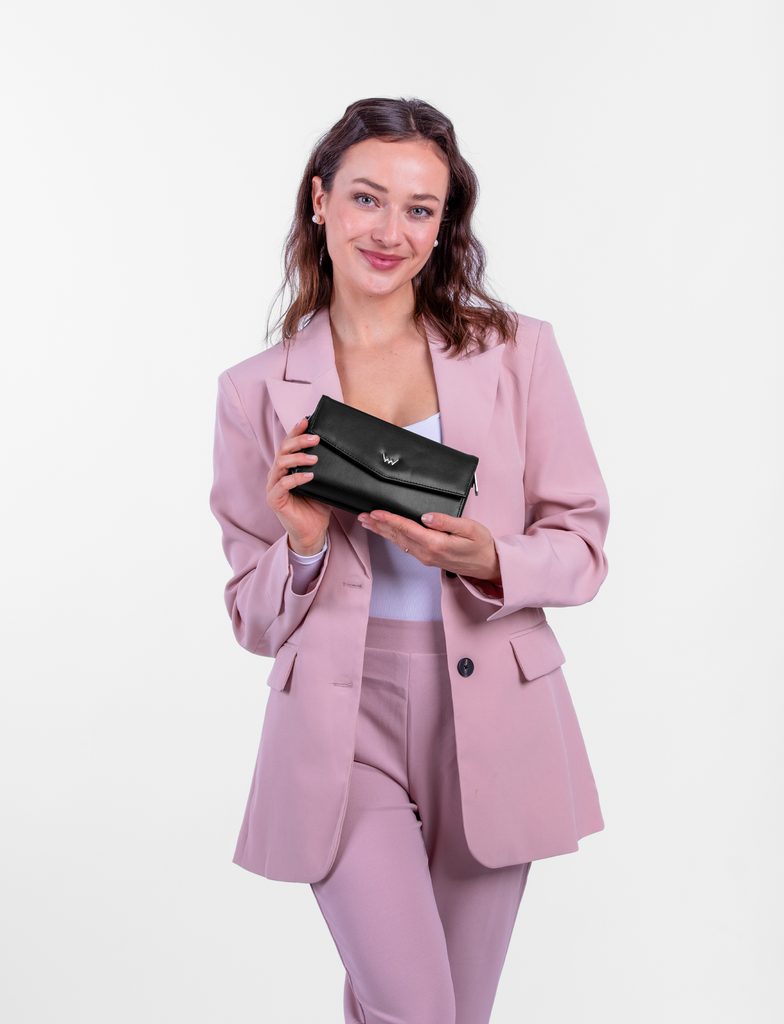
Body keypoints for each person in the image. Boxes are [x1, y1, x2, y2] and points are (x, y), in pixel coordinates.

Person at [209, 96, 610, 1024]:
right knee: (417, 1010)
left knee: (451, 1013)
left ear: (442, 225)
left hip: (497, 711)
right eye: (367, 198)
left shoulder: (517, 353)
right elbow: (250, 617)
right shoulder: (254, 392)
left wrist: (492, 557)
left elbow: (583, 545)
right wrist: (302, 542)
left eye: (419, 208)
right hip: (340, 724)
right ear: (320, 200)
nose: (390, 232)